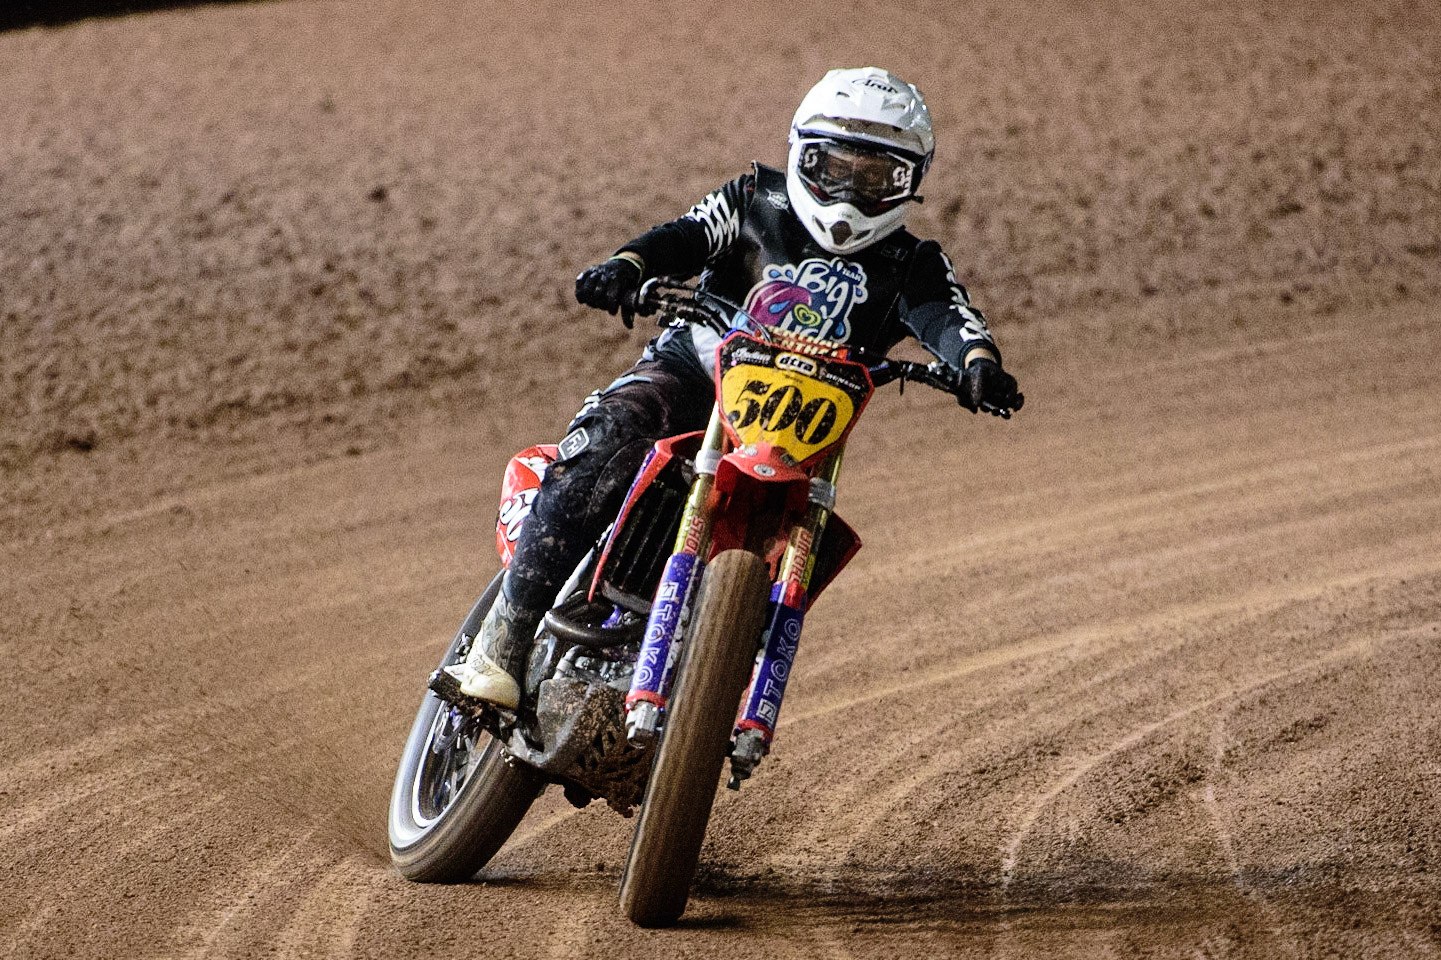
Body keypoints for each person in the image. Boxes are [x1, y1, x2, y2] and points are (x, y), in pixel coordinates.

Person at [444, 67, 1023, 709]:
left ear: (910, 182)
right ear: (801, 151)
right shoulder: (755, 199)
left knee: (802, 527)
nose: (850, 194)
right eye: (833, 166)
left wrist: (976, 361)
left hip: (802, 420)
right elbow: (687, 234)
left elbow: (948, 315)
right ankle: (502, 643)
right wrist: (626, 266)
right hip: (695, 369)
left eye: (875, 177)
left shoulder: (911, 263)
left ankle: (710, 678)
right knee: (615, 431)